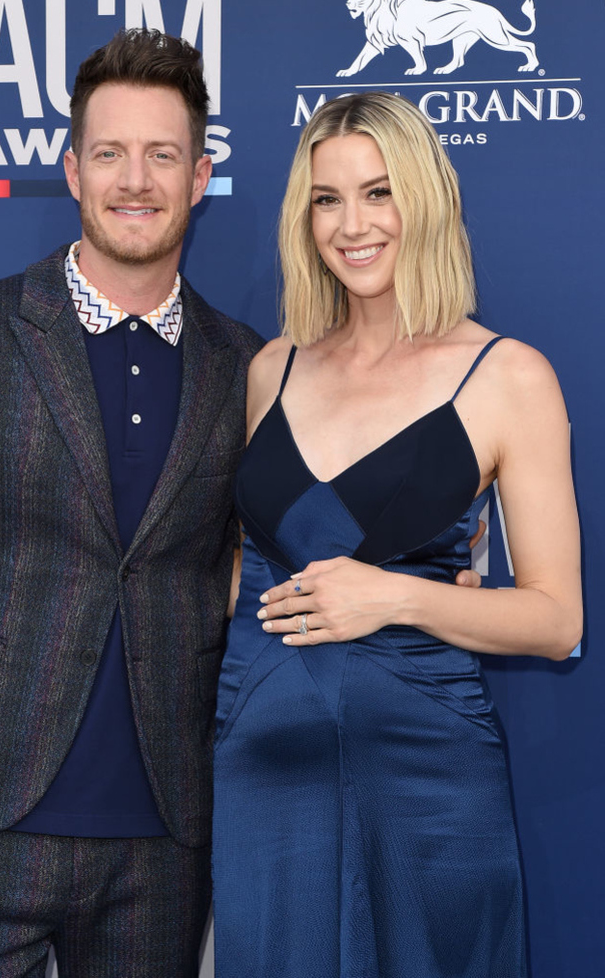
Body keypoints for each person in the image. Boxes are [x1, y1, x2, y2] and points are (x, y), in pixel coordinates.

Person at [0, 29, 263, 978]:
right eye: (111, 153)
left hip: (164, 832)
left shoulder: (245, 364)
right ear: (72, 170)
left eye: (163, 154)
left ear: (199, 178)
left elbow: (273, 544)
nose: (136, 180)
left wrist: (409, 564)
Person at [212, 91, 582, 978]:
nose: (353, 225)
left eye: (379, 193)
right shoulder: (273, 367)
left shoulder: (508, 376)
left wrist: (395, 597)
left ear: (426, 200)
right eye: (327, 199)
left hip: (427, 771)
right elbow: (237, 572)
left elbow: (557, 620)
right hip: (263, 763)